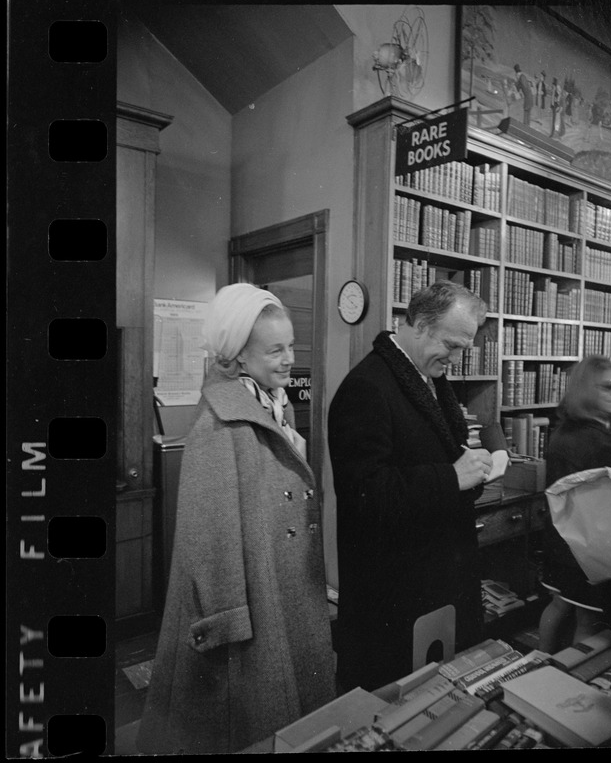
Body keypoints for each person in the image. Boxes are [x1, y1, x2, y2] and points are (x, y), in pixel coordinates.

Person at [137, 283, 335, 755]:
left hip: (278, 589)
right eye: (275, 350)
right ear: (239, 356)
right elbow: (209, 535)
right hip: (251, 600)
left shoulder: (267, 404)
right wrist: (227, 619)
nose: (289, 359)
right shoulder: (220, 423)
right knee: (246, 730)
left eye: (291, 346)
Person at [328, 280, 493, 692]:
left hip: (430, 579)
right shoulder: (367, 386)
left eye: (462, 349)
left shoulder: (425, 376)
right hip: (393, 592)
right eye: (451, 345)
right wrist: (454, 476)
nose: (455, 359)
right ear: (418, 323)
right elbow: (366, 493)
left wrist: (470, 469)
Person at [537, 355, 611, 654]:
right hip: (586, 549)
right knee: (588, 619)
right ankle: (572, 680)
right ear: (588, 391)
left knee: (558, 605)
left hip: (560, 541)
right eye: (608, 387)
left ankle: (538, 663)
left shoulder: (565, 430)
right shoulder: (600, 442)